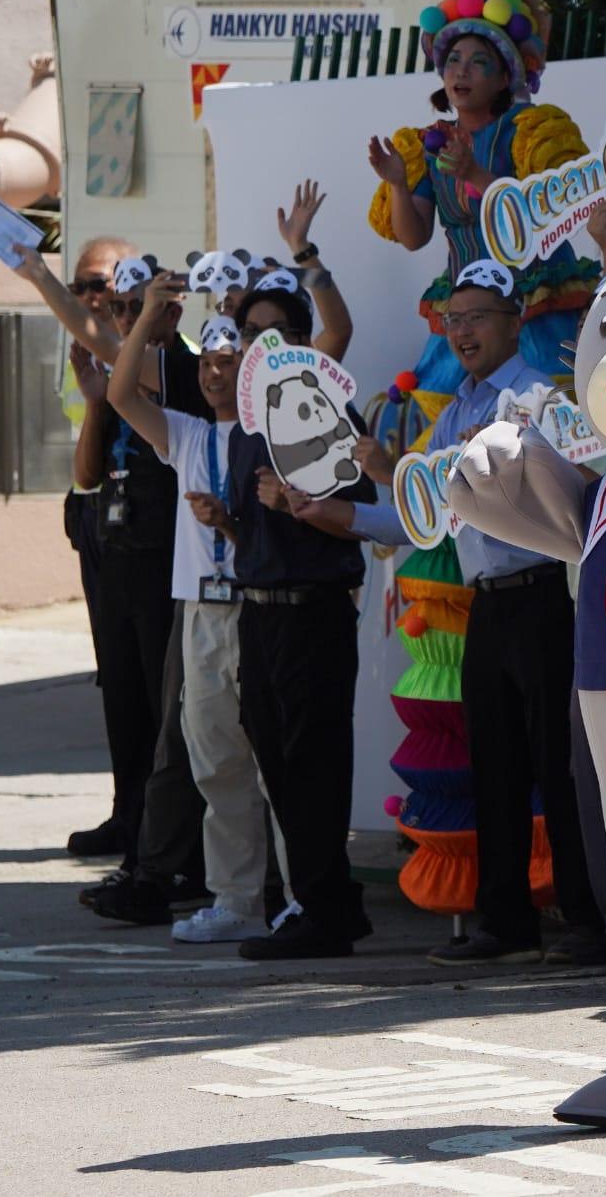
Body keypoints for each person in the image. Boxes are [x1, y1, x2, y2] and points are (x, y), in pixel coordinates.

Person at [337, 260, 606, 966]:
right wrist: (342, 507)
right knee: (489, 761)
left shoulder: (533, 398)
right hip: (484, 605)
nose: (460, 332)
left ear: (512, 320)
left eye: (475, 317)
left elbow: (578, 487)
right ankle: (507, 919)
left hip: (544, 595)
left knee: (560, 766)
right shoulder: (457, 408)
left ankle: (588, 920)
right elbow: (419, 516)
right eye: (451, 319)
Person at [14, 244, 211, 908]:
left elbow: (94, 332)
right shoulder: (121, 372)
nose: (123, 317)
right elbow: (85, 474)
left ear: (171, 307)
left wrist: (39, 276)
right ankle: (138, 842)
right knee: (124, 700)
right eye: (119, 304)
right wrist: (97, 403)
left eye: (136, 304)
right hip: (118, 548)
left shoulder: (179, 369)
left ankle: (174, 860)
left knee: (168, 716)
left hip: (169, 562)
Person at [104, 279, 290, 942]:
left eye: (228, 361)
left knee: (276, 760)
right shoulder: (184, 434)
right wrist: (149, 315)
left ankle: (295, 897)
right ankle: (236, 897)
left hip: (259, 607)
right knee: (213, 756)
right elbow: (121, 393)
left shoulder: (273, 431)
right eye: (207, 362)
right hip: (201, 613)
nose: (215, 372)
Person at [223, 284, 378, 959]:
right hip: (258, 613)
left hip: (315, 611)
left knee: (316, 761)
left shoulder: (326, 410)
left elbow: (362, 512)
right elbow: (248, 530)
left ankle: (324, 907)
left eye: (279, 329)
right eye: (253, 330)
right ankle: (324, 899)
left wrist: (301, 506)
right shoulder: (242, 429)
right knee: (274, 754)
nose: (266, 342)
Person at [366, 0, 595, 395]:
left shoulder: (528, 132)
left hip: (533, 308)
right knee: (443, 406)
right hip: (466, 303)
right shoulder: (428, 145)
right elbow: (415, 237)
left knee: (546, 406)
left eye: (477, 61)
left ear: (505, 75)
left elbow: (538, 218)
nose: (461, 71)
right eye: (452, 60)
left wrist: (474, 173)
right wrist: (397, 182)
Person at [56, 237, 136, 861]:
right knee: (116, 675)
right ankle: (126, 811)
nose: (93, 297)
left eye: (103, 284)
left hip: (154, 523)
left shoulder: (165, 352)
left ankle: (154, 824)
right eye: (83, 286)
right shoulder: (80, 352)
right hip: (98, 514)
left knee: (153, 681)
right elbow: (85, 453)